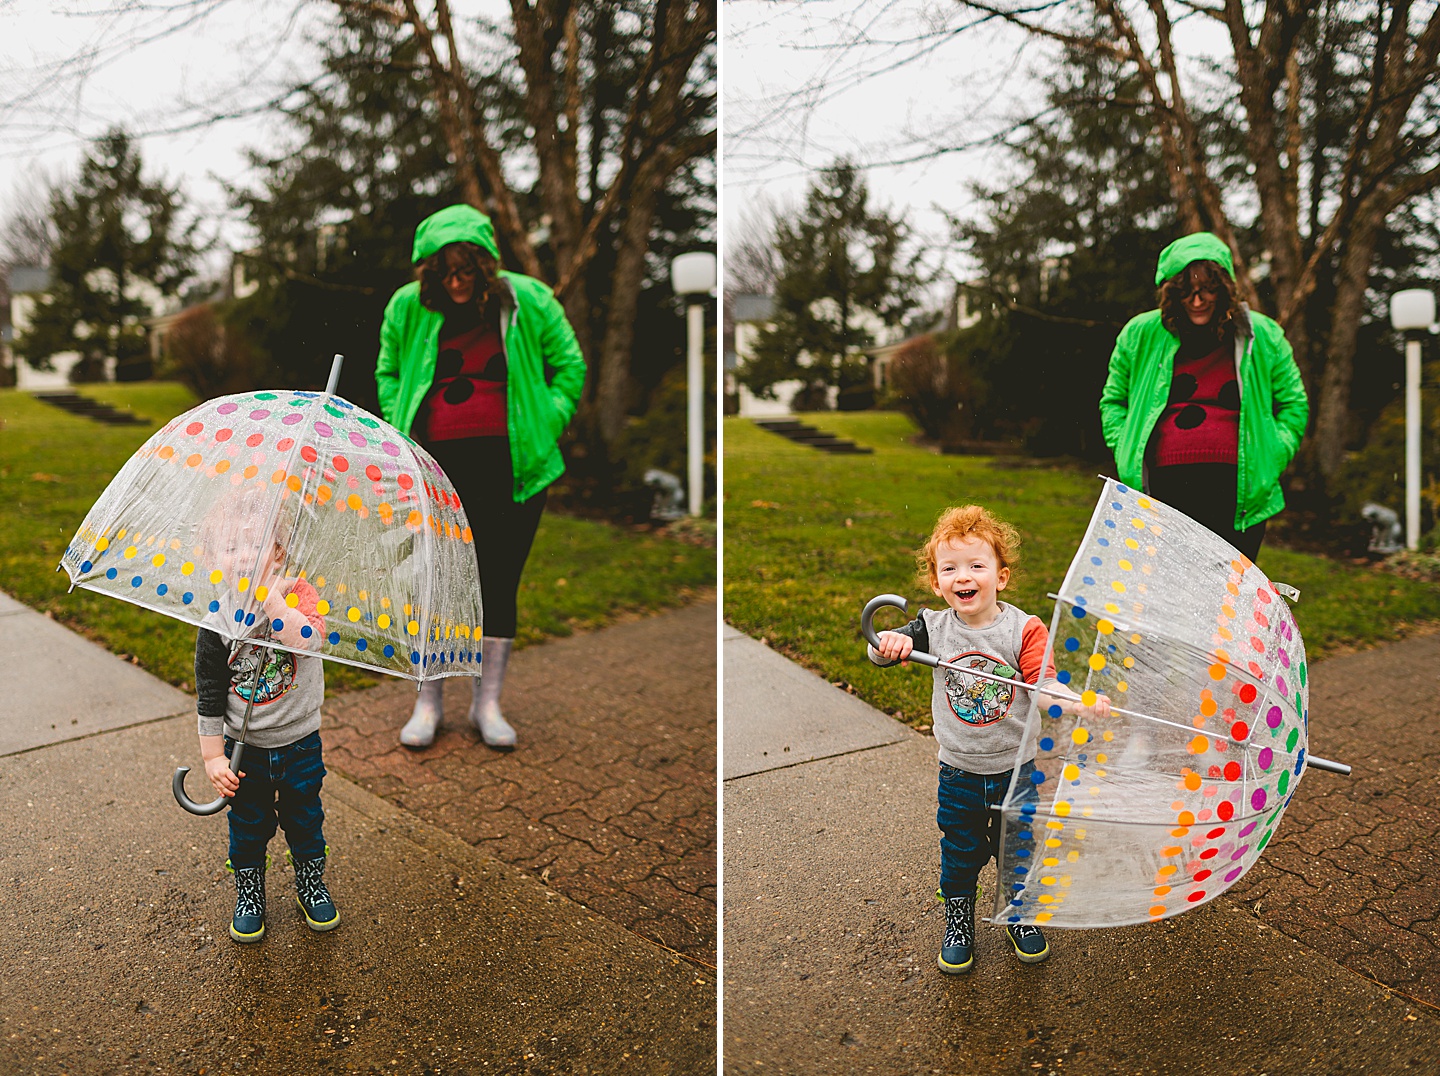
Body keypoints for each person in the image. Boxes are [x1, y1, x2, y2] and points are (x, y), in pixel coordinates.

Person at [377, 204, 586, 750]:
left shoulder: (528, 299)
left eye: (466, 271)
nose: (456, 282)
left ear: (486, 267)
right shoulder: (408, 304)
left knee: (497, 582)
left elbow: (570, 366)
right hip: (433, 471)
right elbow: (389, 369)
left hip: (514, 471)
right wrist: (398, 420)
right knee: (434, 582)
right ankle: (427, 703)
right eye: (444, 273)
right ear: (429, 272)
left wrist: (547, 423)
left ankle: (485, 705)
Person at [868, 505, 1109, 974]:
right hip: (958, 771)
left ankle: (1018, 911)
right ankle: (959, 917)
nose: (964, 576)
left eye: (977, 565)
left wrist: (1078, 702)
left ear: (1001, 576)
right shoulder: (932, 629)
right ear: (937, 583)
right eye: (950, 568)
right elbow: (876, 649)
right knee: (959, 850)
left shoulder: (1024, 629)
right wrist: (888, 646)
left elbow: (1044, 688)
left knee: (1016, 848)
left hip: (1016, 770)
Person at [1099, 231, 1309, 562]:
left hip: (1238, 493)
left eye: (1208, 290)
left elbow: (1294, 403)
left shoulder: (1263, 335)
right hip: (1163, 490)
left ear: (1224, 288)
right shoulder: (1140, 334)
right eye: (1186, 292)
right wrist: (1125, 445)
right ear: (1171, 293)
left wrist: (1272, 454)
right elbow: (1114, 401)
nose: (1198, 301)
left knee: (1229, 599)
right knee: (1166, 595)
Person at [194, 488, 336, 944]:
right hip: (244, 748)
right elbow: (210, 690)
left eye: (254, 545)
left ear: (276, 551)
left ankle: (310, 880)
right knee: (248, 824)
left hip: (299, 743)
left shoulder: (300, 594)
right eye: (231, 547)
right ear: (214, 555)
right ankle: (249, 889)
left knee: (304, 816)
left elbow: (309, 641)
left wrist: (275, 603)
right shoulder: (218, 613)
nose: (242, 556)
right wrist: (214, 757)